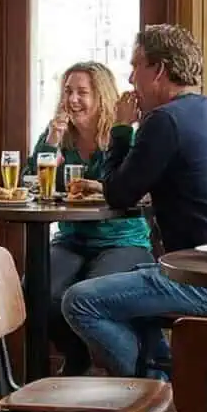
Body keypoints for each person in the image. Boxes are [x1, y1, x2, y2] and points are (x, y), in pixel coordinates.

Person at [61, 24, 207, 376]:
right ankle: (171, 382)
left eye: (137, 66)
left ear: (159, 71)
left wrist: (122, 128)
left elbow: (118, 192)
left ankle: (158, 394)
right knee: (130, 283)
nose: (131, 76)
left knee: (80, 301)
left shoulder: (165, 120)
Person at [34, 62, 155, 374]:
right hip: (73, 239)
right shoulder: (58, 136)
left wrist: (102, 188)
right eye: (68, 91)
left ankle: (131, 374)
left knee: (91, 293)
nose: (72, 99)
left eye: (82, 93)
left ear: (101, 96)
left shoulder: (121, 136)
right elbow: (29, 184)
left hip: (122, 239)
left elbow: (139, 188)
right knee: (38, 290)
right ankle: (78, 361)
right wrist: (51, 143)